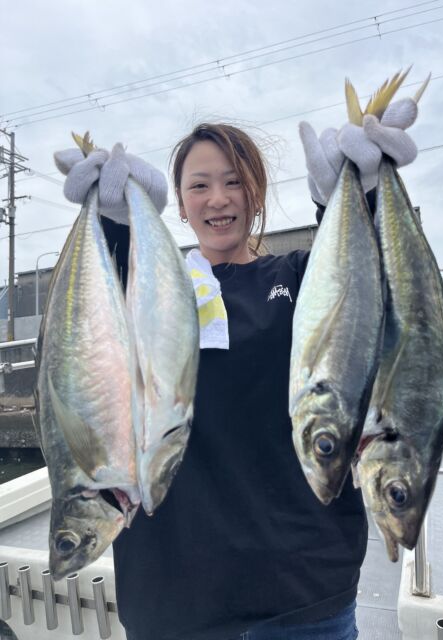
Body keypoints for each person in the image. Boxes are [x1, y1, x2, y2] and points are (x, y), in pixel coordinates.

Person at [54, 95, 419, 640]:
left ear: (256, 193)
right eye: (199, 185)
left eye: (233, 182)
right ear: (180, 203)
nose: (218, 198)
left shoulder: (301, 278)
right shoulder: (145, 296)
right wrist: (117, 229)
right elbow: (87, 338)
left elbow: (377, 299)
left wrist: (360, 199)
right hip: (172, 600)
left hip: (304, 595)